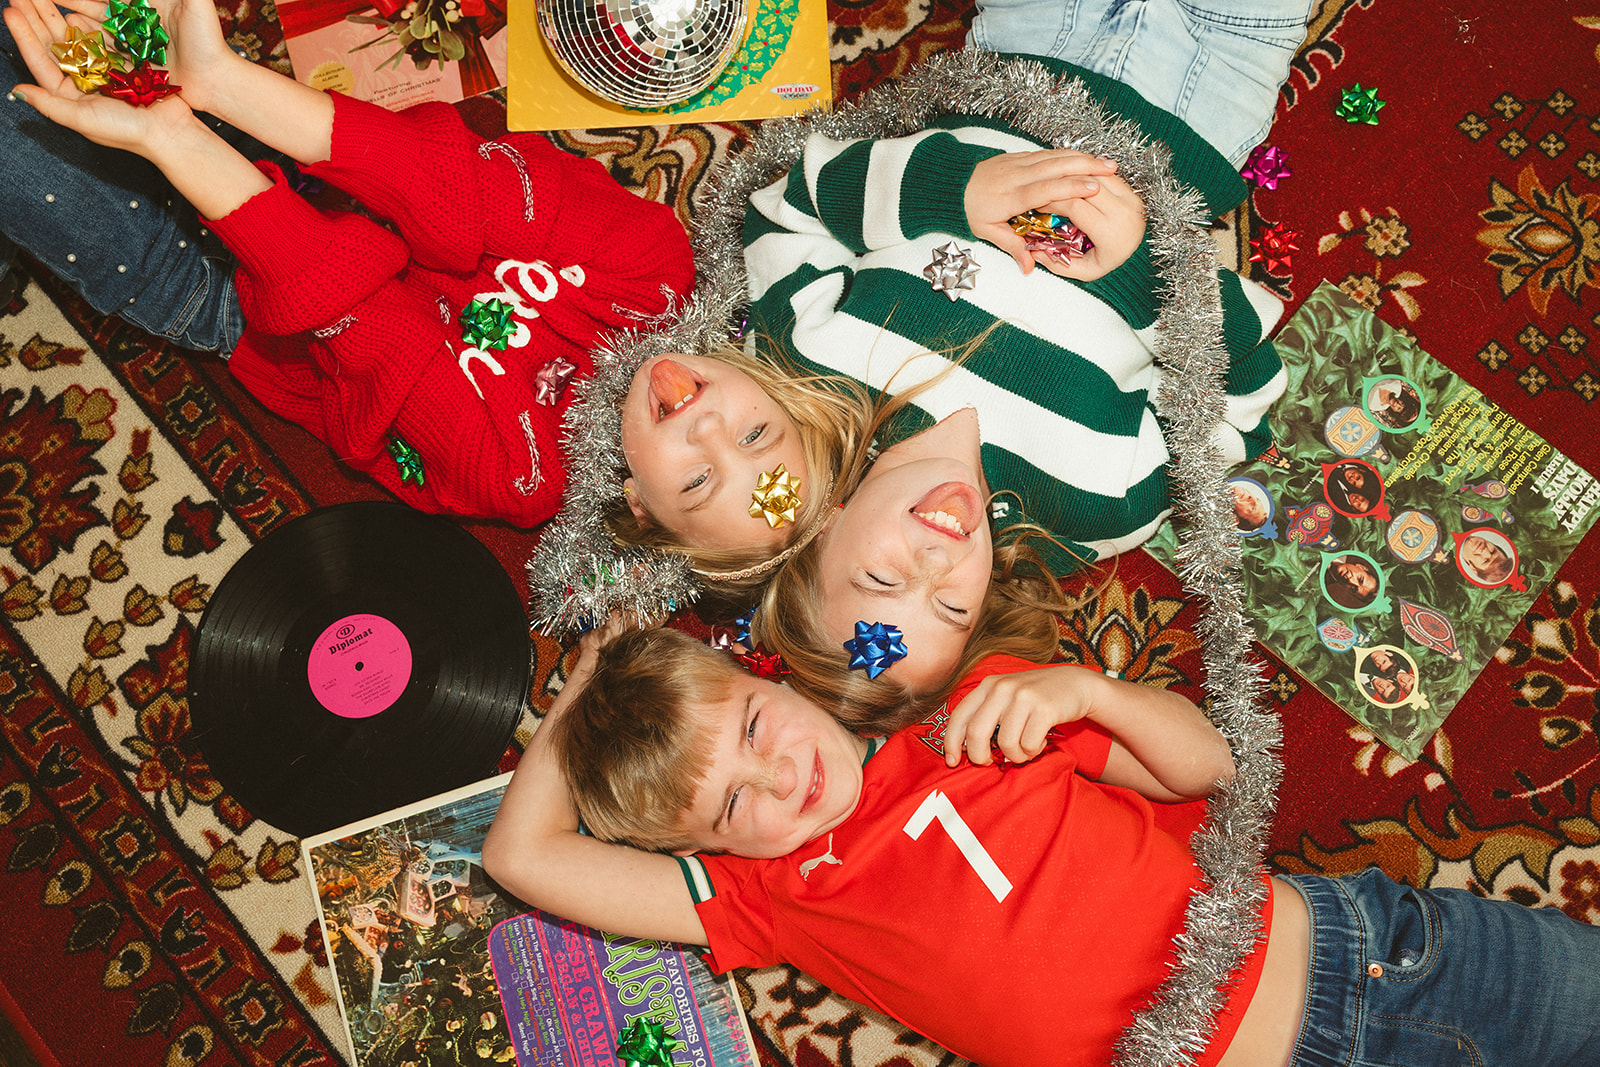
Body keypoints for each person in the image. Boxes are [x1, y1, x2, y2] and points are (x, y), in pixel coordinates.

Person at [482, 625, 1600, 1067]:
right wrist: (578, 694)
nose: (777, 778)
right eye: (732, 806)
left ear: (773, 680)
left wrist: (1090, 691)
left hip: (1368, 954)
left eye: (755, 732)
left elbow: (1204, 767)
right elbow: (522, 859)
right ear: (714, 850)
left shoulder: (971, 713)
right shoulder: (779, 894)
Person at [530, 0, 1302, 628]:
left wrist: (958, 193)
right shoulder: (1092, 508)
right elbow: (1239, 410)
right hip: (1200, 100)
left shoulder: (811, 363)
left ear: (830, 528)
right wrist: (1140, 266)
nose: (929, 561)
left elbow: (789, 206)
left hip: (1020, 54)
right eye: (948, 601)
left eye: (880, 576)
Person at [2, 0, 694, 526]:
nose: (710, 430)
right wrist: (221, 84)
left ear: (640, 508)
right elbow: (441, 177)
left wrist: (176, 138)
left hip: (239, 308)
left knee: (20, 133)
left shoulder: (525, 475)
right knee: (71, 22)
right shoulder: (657, 266)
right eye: (760, 434)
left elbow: (364, 322)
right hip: (319, 168)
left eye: (699, 481)